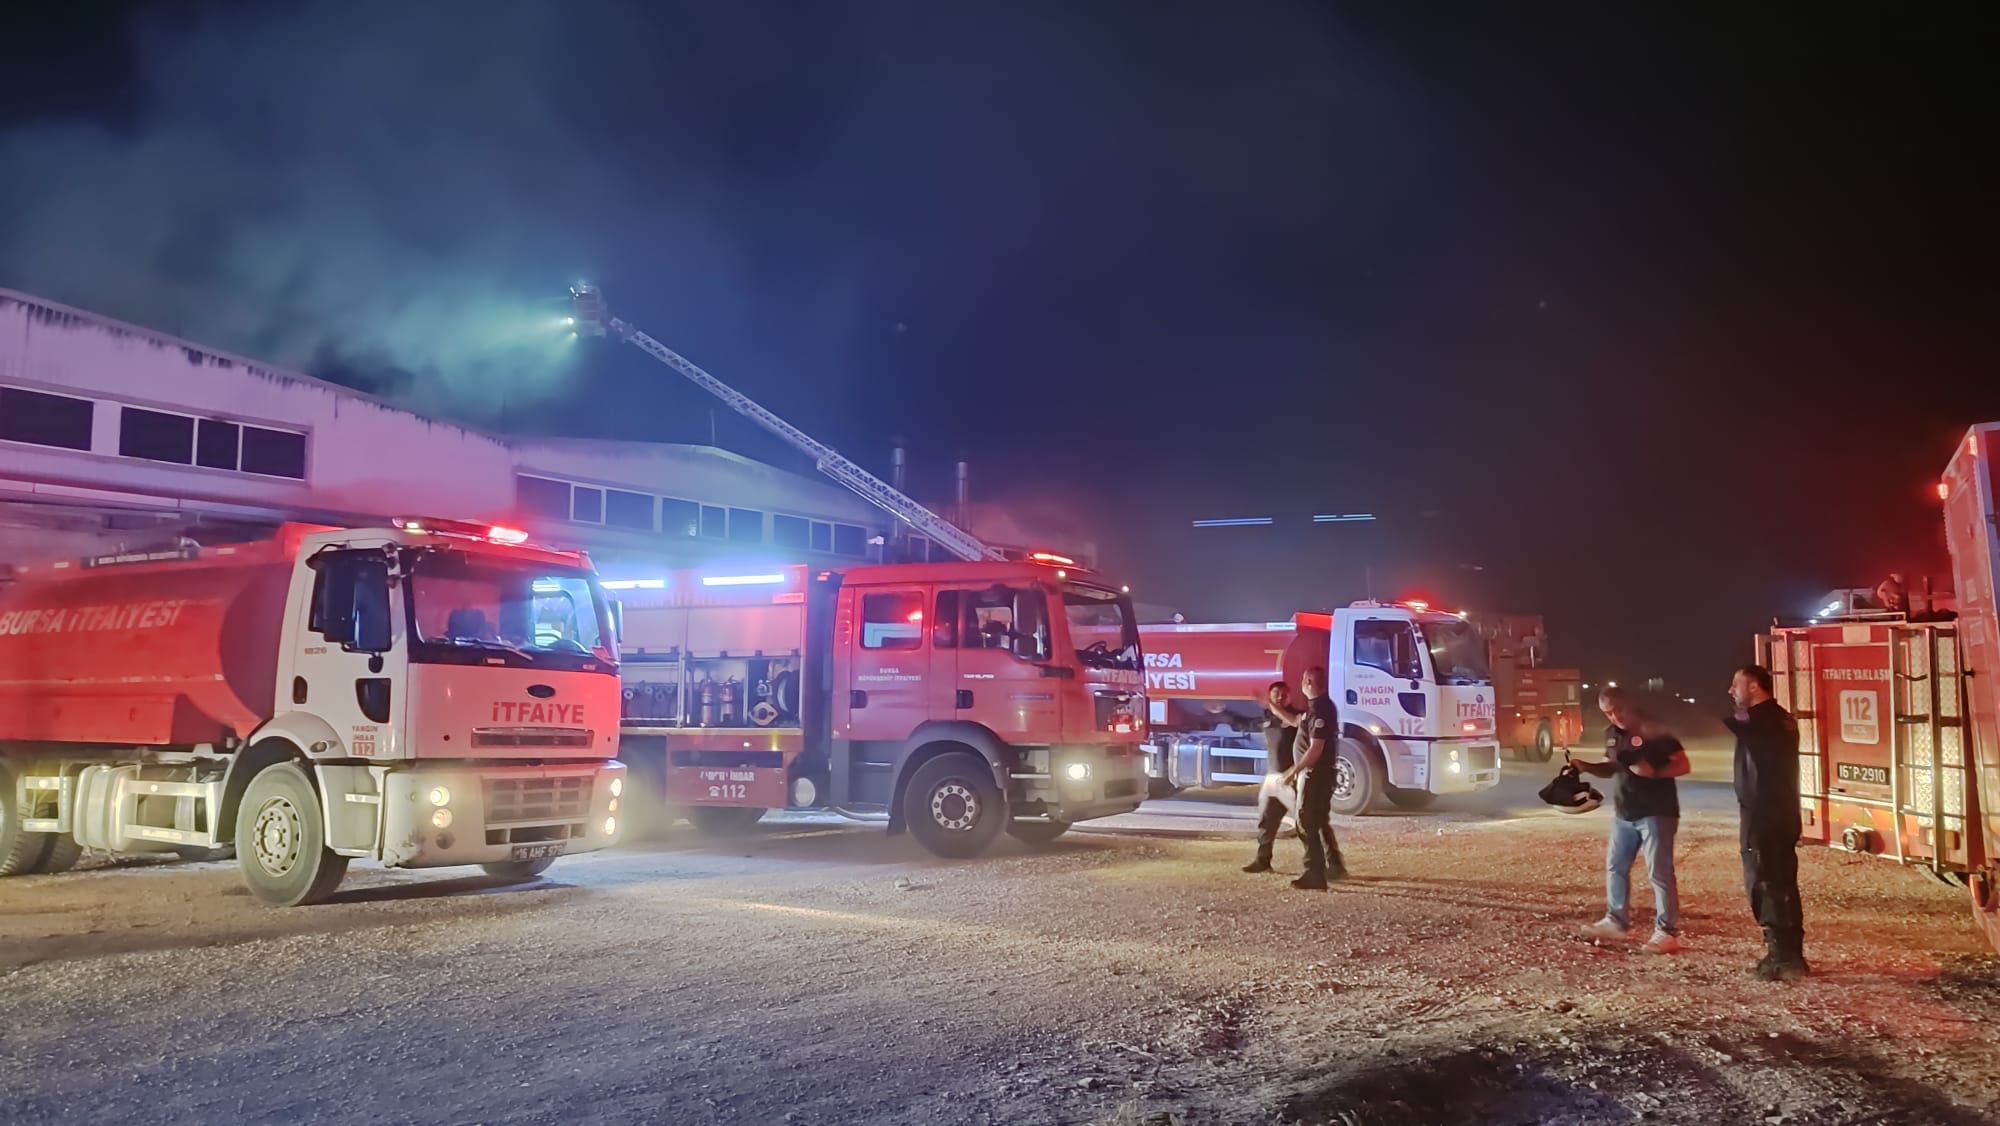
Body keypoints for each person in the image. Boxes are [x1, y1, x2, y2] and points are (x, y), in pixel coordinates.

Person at [1577, 686, 1689, 953]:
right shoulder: (1612, 735)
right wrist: (1586, 767)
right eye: (1608, 713)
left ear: (1630, 704)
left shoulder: (1654, 731)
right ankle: (1616, 921)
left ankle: (1667, 932)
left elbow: (1683, 765)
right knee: (1615, 867)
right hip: (1624, 813)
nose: (1614, 717)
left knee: (1659, 873)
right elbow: (1612, 766)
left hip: (1656, 812)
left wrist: (1654, 772)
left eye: (1618, 710)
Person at [1726, 664, 1808, 980]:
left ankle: (1780, 957)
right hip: (1782, 811)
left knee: (1764, 880)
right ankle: (1792, 955)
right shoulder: (1781, 719)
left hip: (1762, 813)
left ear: (1756, 687)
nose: (1731, 691)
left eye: (1737, 684)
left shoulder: (1763, 722)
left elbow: (1737, 722)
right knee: (1783, 880)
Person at [1280, 665, 1348, 889]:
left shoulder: (1320, 710)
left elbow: (1315, 748)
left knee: (1305, 822)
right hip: (1319, 774)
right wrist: (1272, 706)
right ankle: (1334, 865)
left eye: (1303, 680)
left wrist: (1294, 770)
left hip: (1314, 775)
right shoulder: (1317, 707)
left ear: (1309, 682)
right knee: (1318, 821)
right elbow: (1296, 721)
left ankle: (1314, 873)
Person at [1243, 681, 1301, 874]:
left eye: (1284, 695)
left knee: (1306, 823)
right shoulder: (1267, 718)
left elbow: (1292, 721)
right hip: (1272, 778)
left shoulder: (1296, 716)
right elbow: (1242, 721)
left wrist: (1271, 705)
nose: (1280, 698)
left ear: (1290, 697)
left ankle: (1324, 864)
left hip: (1291, 779)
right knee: (1266, 821)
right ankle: (1262, 860)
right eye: (1276, 694)